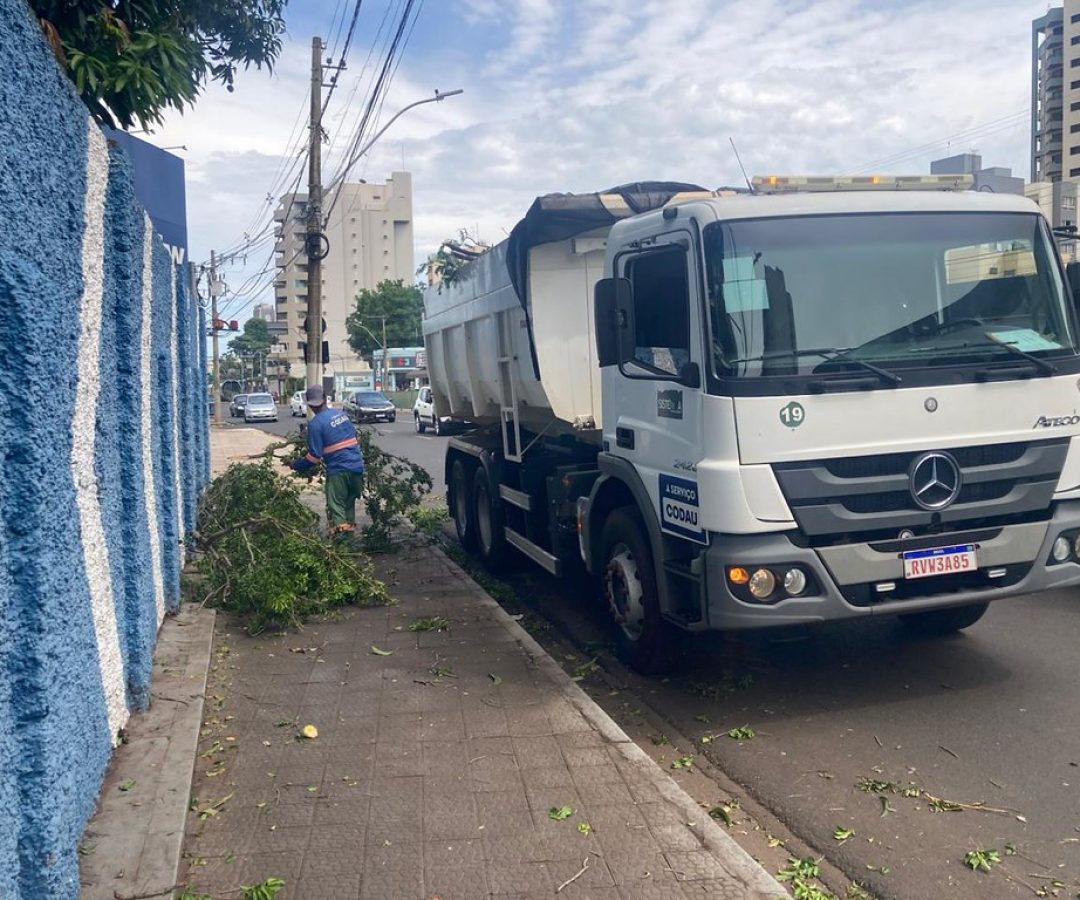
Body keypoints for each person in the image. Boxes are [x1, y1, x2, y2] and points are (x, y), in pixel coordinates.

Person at [291, 386, 365, 540]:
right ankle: (349, 543)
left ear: (310, 405)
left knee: (336, 507)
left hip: (339, 471)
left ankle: (341, 546)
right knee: (348, 505)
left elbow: (314, 457)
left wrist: (296, 465)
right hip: (357, 468)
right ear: (325, 398)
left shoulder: (315, 424)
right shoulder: (342, 415)